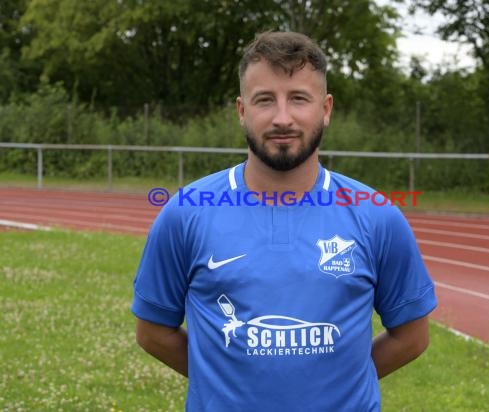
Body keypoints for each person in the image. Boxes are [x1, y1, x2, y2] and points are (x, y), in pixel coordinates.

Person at [131, 31, 437, 411]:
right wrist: (224, 382)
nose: (282, 118)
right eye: (264, 100)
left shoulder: (377, 217)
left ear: (325, 109)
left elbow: (411, 336)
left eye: (298, 99)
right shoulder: (186, 213)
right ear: (242, 111)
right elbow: (152, 332)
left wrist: (337, 386)